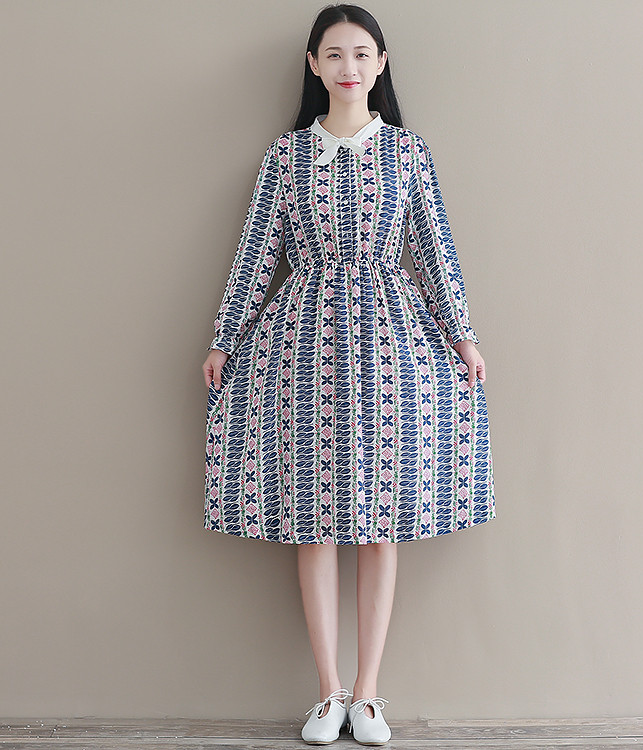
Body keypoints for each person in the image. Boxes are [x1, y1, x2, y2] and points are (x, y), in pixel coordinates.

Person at [201, 4, 495, 745]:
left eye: (362, 53)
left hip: (393, 345)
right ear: (313, 64)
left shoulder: (407, 152)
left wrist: (462, 336)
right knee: (314, 520)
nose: (348, 67)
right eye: (334, 54)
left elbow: (434, 249)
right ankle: (327, 691)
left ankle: (368, 695)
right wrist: (225, 338)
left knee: (380, 519)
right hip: (302, 345)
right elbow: (258, 252)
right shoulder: (286, 156)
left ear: (381, 63)